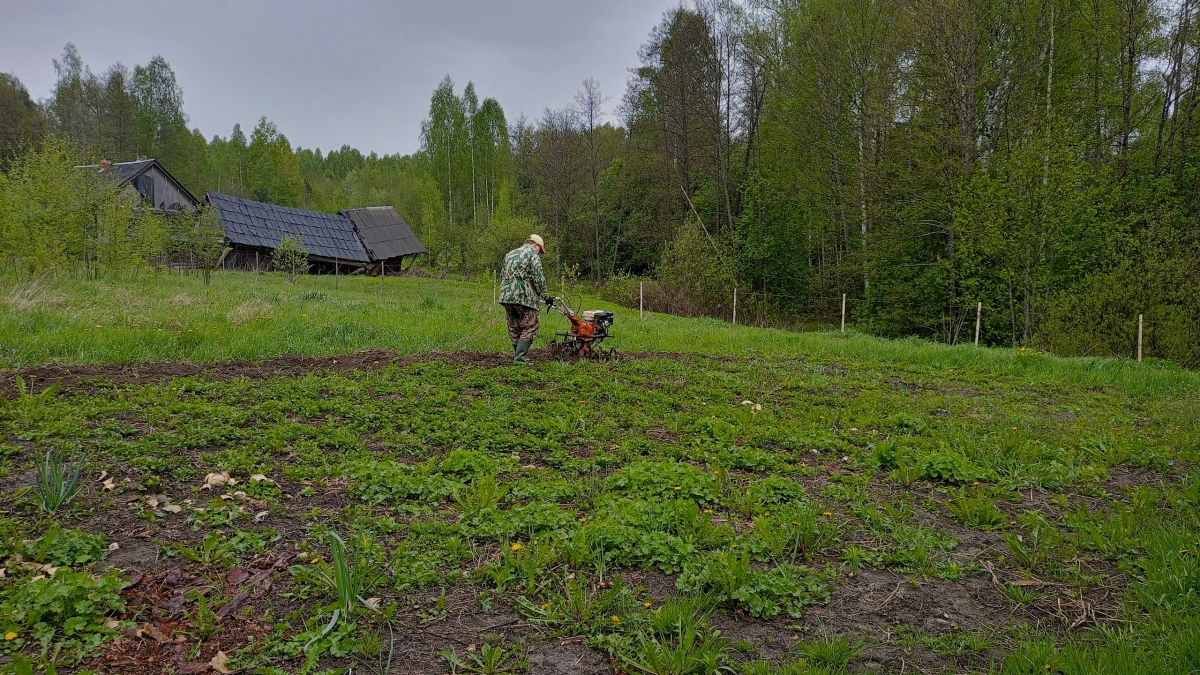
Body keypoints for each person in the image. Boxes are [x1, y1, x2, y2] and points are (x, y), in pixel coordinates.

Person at [499, 234, 556, 363]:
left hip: (506, 296)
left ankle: (518, 355)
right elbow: (539, 279)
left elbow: (502, 275)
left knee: (514, 326)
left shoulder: (509, 254)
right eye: (540, 250)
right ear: (535, 245)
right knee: (531, 325)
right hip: (524, 297)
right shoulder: (532, 256)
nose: (540, 253)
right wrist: (546, 297)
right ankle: (520, 358)